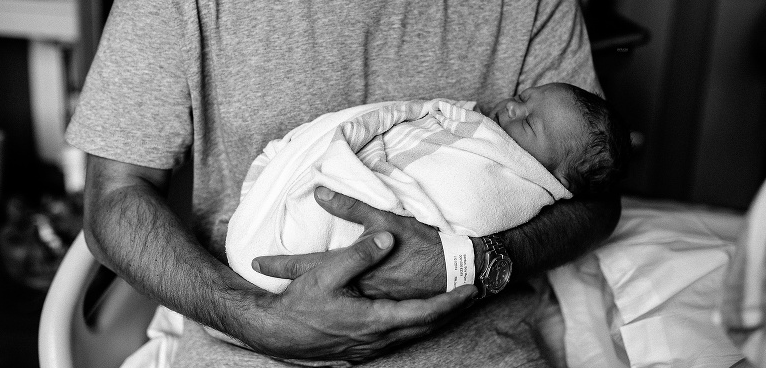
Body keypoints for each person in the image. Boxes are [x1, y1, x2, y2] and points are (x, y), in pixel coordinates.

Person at [66, 0, 622, 365]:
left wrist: (474, 261)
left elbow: (593, 199)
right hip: (258, 343)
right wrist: (257, 319)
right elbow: (115, 197)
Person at [227, 83, 630, 295]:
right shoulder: (476, 128)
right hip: (245, 313)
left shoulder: (508, 183)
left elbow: (465, 205)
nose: (511, 108)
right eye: (524, 97)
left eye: (528, 124)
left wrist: (458, 263)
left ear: (550, 177)